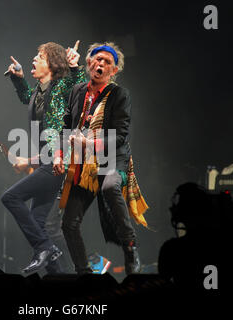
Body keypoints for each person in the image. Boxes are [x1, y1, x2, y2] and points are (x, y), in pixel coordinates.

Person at [53, 42, 148, 275]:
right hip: (85, 163)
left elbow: (121, 136)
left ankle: (130, 247)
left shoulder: (119, 95)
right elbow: (66, 125)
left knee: (109, 186)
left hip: (113, 158)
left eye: (107, 62)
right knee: (68, 223)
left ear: (113, 71)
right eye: (98, 59)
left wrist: (88, 142)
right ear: (89, 63)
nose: (101, 64)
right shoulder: (78, 91)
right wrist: (58, 155)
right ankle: (84, 273)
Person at [1, 41, 86, 274]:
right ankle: (58, 277)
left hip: (59, 163)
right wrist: (18, 78)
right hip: (49, 161)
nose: (34, 60)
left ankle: (45, 248)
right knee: (38, 222)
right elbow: (26, 97)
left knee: (10, 198)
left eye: (40, 56)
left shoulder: (60, 88)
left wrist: (75, 66)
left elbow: (75, 85)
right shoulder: (41, 91)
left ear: (53, 64)